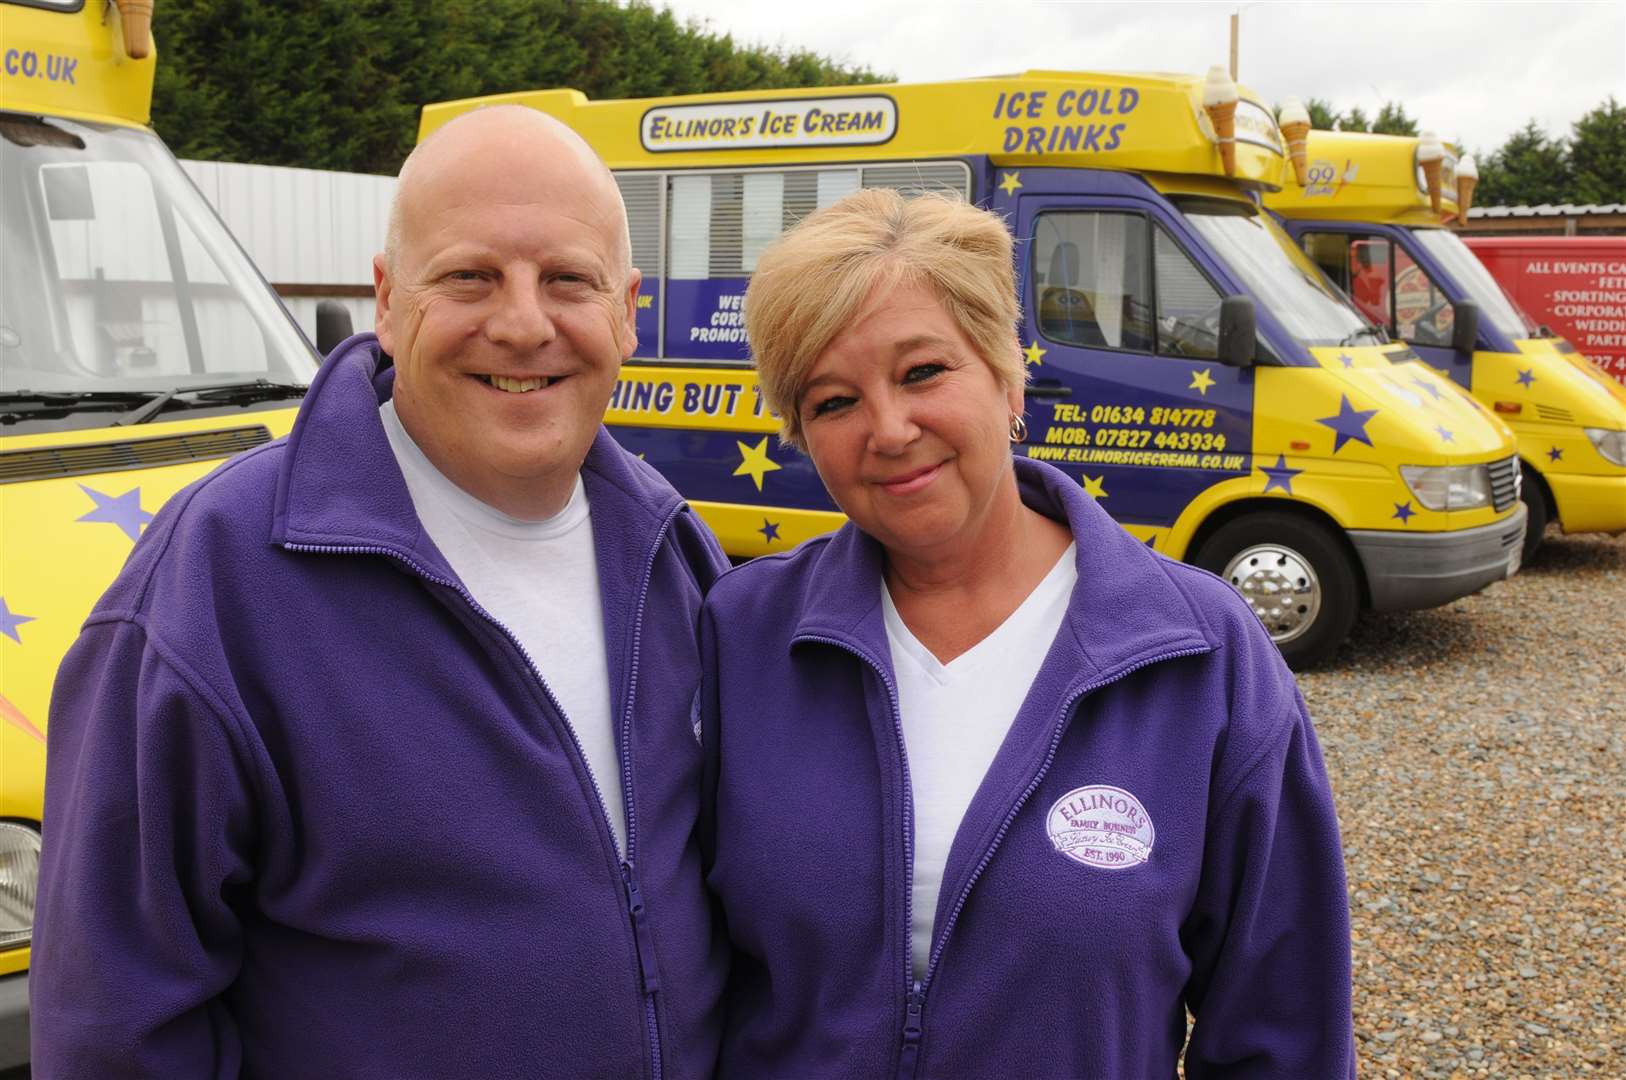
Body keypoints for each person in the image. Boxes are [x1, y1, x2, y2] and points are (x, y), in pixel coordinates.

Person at [31, 105, 726, 1078]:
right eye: (470, 277)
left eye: (568, 279)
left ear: (627, 310)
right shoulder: (210, 587)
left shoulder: (675, 556)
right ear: (388, 302)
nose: (524, 323)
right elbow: (115, 1026)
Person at [699, 189, 1357, 1078]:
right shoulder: (740, 637)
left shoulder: (1203, 655)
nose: (889, 430)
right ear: (801, 434)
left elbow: (1284, 1029)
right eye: (833, 400)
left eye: (924, 372)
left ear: (1006, 371)